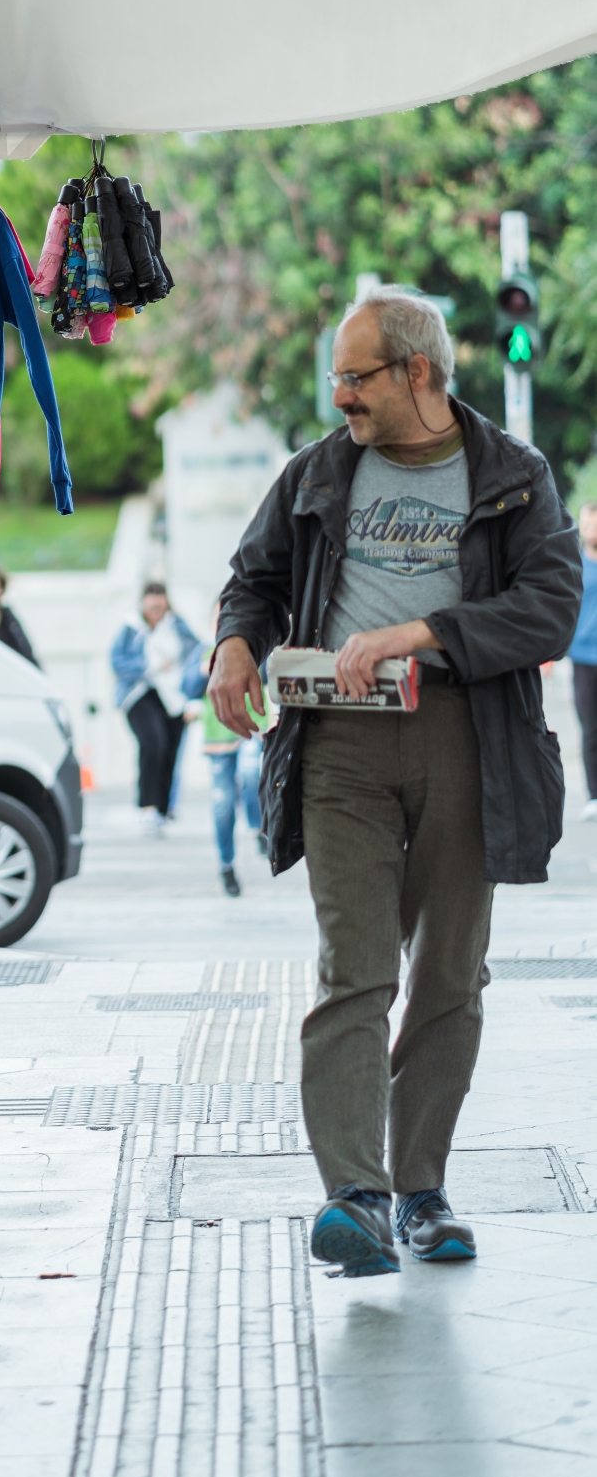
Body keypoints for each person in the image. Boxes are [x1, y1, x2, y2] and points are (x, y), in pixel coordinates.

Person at [210, 286, 580, 1278]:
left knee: (450, 975)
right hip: (339, 746)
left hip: (470, 738)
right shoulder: (316, 474)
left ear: (416, 371)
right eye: (336, 376)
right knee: (355, 967)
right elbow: (251, 576)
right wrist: (235, 648)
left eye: (356, 375)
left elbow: (547, 607)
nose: (340, 396)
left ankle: (422, 1189)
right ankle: (354, 1196)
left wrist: (417, 633)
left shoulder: (512, 474)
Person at [112, 582, 198, 835]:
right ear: (142, 605)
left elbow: (195, 655)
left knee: (170, 750)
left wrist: (192, 693)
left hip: (174, 695)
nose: (156, 612)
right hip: (140, 692)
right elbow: (117, 663)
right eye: (151, 607)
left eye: (160, 607)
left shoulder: (177, 626)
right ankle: (147, 806)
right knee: (153, 743)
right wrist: (150, 665)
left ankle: (163, 807)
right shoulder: (130, 629)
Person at [201, 674, 267, 896]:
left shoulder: (255, 646)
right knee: (223, 806)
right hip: (219, 738)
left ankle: (258, 829)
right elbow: (187, 686)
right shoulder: (205, 653)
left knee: (251, 773)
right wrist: (203, 672)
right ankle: (226, 865)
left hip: (250, 728)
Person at [569, 502, 597, 819]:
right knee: (591, 728)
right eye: (587, 525)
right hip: (584, 658)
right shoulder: (574, 563)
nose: (591, 531)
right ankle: (594, 795)